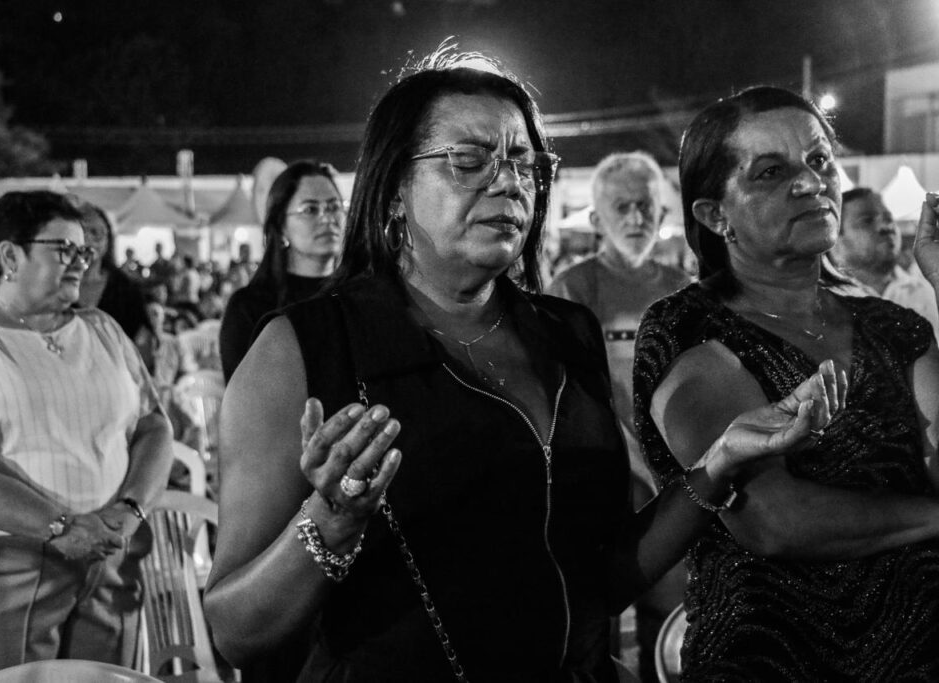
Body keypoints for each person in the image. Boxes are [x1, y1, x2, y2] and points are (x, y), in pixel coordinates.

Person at [203, 54, 839, 682]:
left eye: (525, 165)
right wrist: (331, 521)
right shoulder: (303, 348)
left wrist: (719, 465)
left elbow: (598, 578)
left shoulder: (565, 333)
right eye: (469, 161)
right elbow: (236, 631)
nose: (507, 183)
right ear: (395, 186)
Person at [633, 86, 939, 680]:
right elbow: (775, 519)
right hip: (774, 663)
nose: (809, 183)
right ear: (714, 214)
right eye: (771, 172)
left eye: (820, 160)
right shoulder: (689, 329)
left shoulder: (895, 328)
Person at [0, 190, 173, 681]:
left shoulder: (102, 329)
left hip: (109, 552)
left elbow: (154, 426)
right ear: (10, 255)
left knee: (107, 678)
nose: (81, 262)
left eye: (84, 251)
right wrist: (60, 527)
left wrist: (130, 510)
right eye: (64, 250)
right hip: (9, 561)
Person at [546, 151, 690, 681]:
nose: (636, 219)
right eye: (622, 207)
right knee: (590, 638)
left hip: (671, 490)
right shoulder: (571, 290)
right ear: (596, 219)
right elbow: (575, 397)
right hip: (599, 488)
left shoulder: (683, 289)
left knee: (669, 627)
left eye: (645, 206)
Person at [219, 160, 345, 382]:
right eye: (310, 209)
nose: (327, 218)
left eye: (334, 207)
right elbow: (243, 402)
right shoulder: (250, 308)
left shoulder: (356, 297)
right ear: (281, 227)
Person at [829, 187, 939, 339]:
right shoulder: (826, 299)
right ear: (835, 237)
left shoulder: (927, 290)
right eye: (867, 221)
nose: (886, 227)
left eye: (888, 219)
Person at [74, 202, 152, 344]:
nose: (88, 241)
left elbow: (142, 339)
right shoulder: (55, 286)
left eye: (96, 233)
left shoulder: (126, 288)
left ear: (108, 240)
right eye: (80, 232)